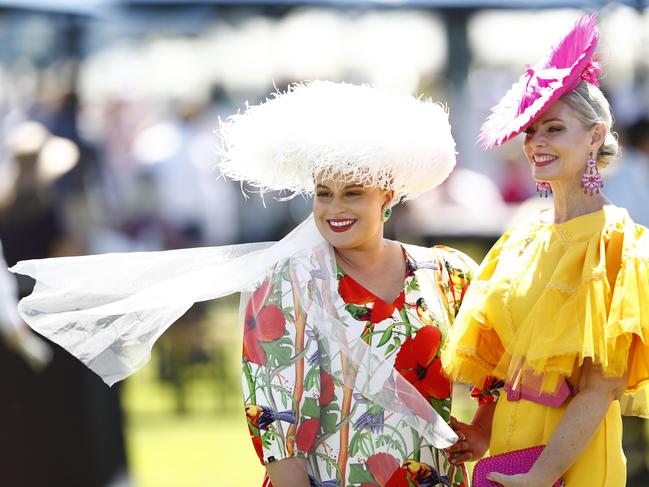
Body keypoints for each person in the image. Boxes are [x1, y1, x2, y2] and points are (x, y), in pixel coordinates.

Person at [11, 81, 490, 487]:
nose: (334, 208)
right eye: (323, 194)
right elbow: (277, 427)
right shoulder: (285, 285)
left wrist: (485, 429)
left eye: (354, 193)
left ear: (388, 195)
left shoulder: (446, 274)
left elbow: (505, 365)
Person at [442, 15, 649, 487]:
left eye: (553, 129)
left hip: (570, 468)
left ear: (595, 136)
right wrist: (482, 431)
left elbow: (601, 389)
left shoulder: (616, 242)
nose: (535, 143)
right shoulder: (522, 235)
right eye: (531, 131)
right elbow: (504, 364)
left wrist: (541, 477)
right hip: (513, 460)